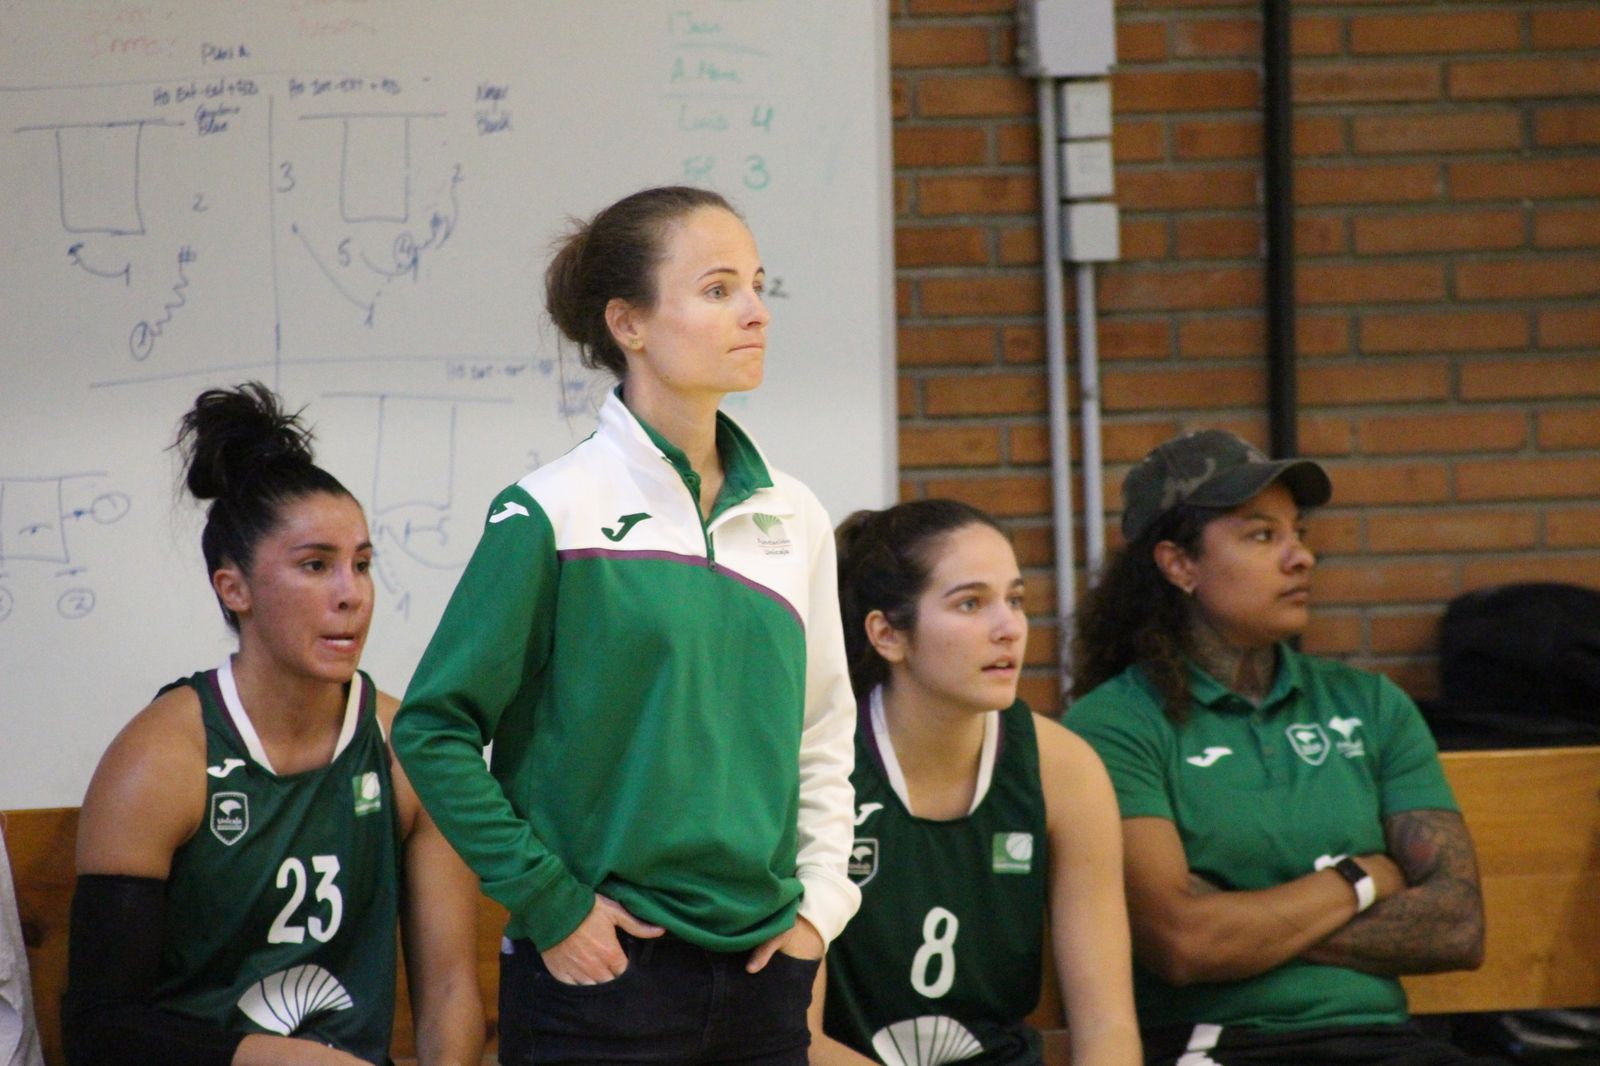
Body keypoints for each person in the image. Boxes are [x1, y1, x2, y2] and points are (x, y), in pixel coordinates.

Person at [391, 185, 860, 1064]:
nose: (756, 312)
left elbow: (825, 735)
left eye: (760, 286)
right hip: (595, 977)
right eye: (719, 289)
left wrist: (818, 911)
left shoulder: (794, 517)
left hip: (766, 974)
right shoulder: (547, 511)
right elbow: (433, 727)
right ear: (629, 324)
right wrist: (550, 903)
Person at [62, 383, 484, 1066]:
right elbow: (99, 1031)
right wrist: (279, 1059)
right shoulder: (161, 758)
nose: (351, 594)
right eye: (316, 566)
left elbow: (451, 993)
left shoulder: (408, 748)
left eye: (363, 565)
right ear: (235, 589)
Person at [1064, 429, 1494, 1066]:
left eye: (1301, 533)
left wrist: (1242, 920)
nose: (1301, 558)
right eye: (1262, 535)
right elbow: (1183, 944)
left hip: (1388, 1045)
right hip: (1223, 1046)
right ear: (1179, 564)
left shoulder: (1371, 706)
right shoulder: (1113, 726)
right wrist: (1361, 877)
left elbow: (1458, 926)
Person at [810, 500, 1140, 1066]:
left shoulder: (1065, 770)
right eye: (970, 603)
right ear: (887, 634)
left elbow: (1106, 1024)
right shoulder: (819, 764)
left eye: (1014, 600)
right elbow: (796, 1037)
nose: (1009, 628)